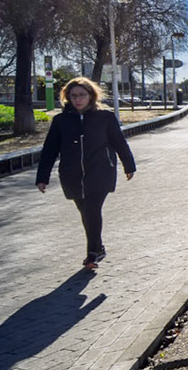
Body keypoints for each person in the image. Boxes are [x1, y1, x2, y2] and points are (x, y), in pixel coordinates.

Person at [36, 77, 135, 274]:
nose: (78, 99)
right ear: (67, 98)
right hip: (71, 175)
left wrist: (129, 165)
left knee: (92, 209)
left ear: (91, 96)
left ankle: (92, 253)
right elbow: (50, 150)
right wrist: (42, 177)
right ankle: (98, 247)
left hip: (100, 172)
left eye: (82, 95)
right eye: (73, 96)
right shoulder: (61, 121)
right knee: (86, 213)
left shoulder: (105, 117)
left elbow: (119, 143)